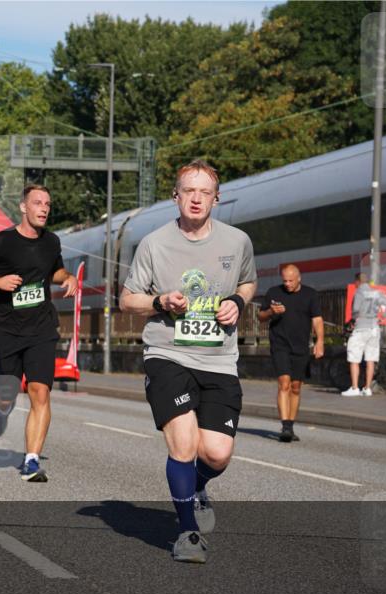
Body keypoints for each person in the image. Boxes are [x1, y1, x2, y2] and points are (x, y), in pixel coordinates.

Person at [120, 160, 256, 564]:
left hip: (219, 359)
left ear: (217, 198)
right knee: (183, 443)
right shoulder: (154, 243)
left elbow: (249, 281)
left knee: (216, 454)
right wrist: (160, 301)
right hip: (168, 354)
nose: (196, 199)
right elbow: (127, 300)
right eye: (189, 191)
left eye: (205, 192)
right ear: (175, 197)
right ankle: (187, 533)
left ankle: (197, 487)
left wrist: (238, 301)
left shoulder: (238, 241)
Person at [0, 183, 78, 482]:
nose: (44, 208)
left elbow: (53, 271)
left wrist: (67, 277)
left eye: (48, 204)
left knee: (40, 391)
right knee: (7, 395)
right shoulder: (0, 242)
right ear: (23, 207)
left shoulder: (51, 241)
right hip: (7, 328)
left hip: (42, 328)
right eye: (38, 203)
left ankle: (31, 460)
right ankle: (2, 411)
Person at [257, 264, 323, 441]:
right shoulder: (274, 292)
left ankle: (290, 426)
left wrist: (320, 342)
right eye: (284, 280)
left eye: (291, 281)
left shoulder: (310, 294)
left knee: (295, 387)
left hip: (301, 347)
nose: (287, 284)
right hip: (280, 344)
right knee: (284, 383)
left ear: (299, 278)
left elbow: (317, 320)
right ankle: (285, 426)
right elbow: (260, 316)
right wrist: (271, 311)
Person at [342, 272, 386, 396]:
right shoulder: (376, 293)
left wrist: (353, 321)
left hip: (361, 328)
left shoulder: (359, 292)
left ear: (358, 281)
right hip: (374, 329)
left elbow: (355, 311)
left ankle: (355, 388)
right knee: (370, 359)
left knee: (354, 358)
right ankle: (367, 388)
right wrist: (382, 317)